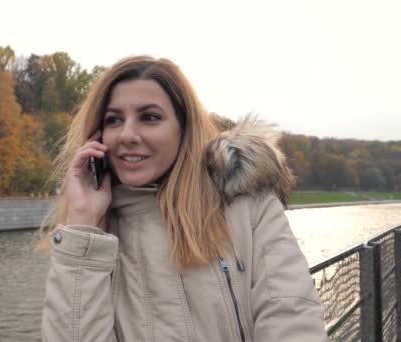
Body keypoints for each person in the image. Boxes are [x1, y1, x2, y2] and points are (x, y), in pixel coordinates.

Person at [40, 56, 327, 342]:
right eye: (114, 120)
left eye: (149, 117)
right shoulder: (91, 235)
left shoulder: (247, 205)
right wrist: (84, 224)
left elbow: (292, 316)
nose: (127, 135)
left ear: (184, 128)